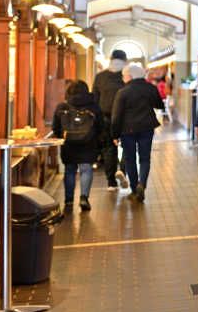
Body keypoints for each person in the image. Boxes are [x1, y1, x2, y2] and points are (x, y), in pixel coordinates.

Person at [109, 63, 163, 203]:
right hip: (147, 128)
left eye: (124, 75)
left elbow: (116, 116)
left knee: (130, 159)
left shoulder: (123, 92)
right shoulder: (150, 88)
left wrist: (114, 134)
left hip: (127, 131)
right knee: (145, 159)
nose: (122, 78)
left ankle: (134, 190)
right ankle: (142, 184)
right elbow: (159, 104)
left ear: (130, 76)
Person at [51, 80, 104, 214]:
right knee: (86, 169)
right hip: (88, 143)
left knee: (70, 170)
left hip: (69, 144)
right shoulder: (94, 107)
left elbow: (55, 128)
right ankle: (84, 198)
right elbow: (100, 126)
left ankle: (69, 200)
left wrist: (62, 137)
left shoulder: (62, 107)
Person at [91, 50, 128, 189]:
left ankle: (111, 182)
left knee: (108, 149)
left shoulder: (100, 77)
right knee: (127, 146)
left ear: (110, 59)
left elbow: (94, 99)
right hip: (125, 118)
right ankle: (122, 170)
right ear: (124, 61)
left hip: (105, 118)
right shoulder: (126, 77)